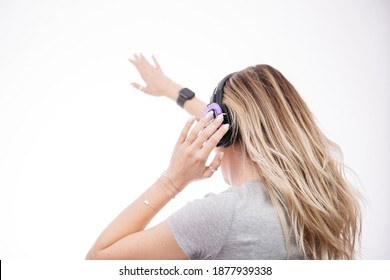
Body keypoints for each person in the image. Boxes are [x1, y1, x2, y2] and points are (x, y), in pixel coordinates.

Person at [86, 54, 362, 260]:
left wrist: (173, 180)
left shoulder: (221, 217)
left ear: (225, 135)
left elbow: (99, 260)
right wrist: (173, 90)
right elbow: (244, 123)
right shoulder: (316, 201)